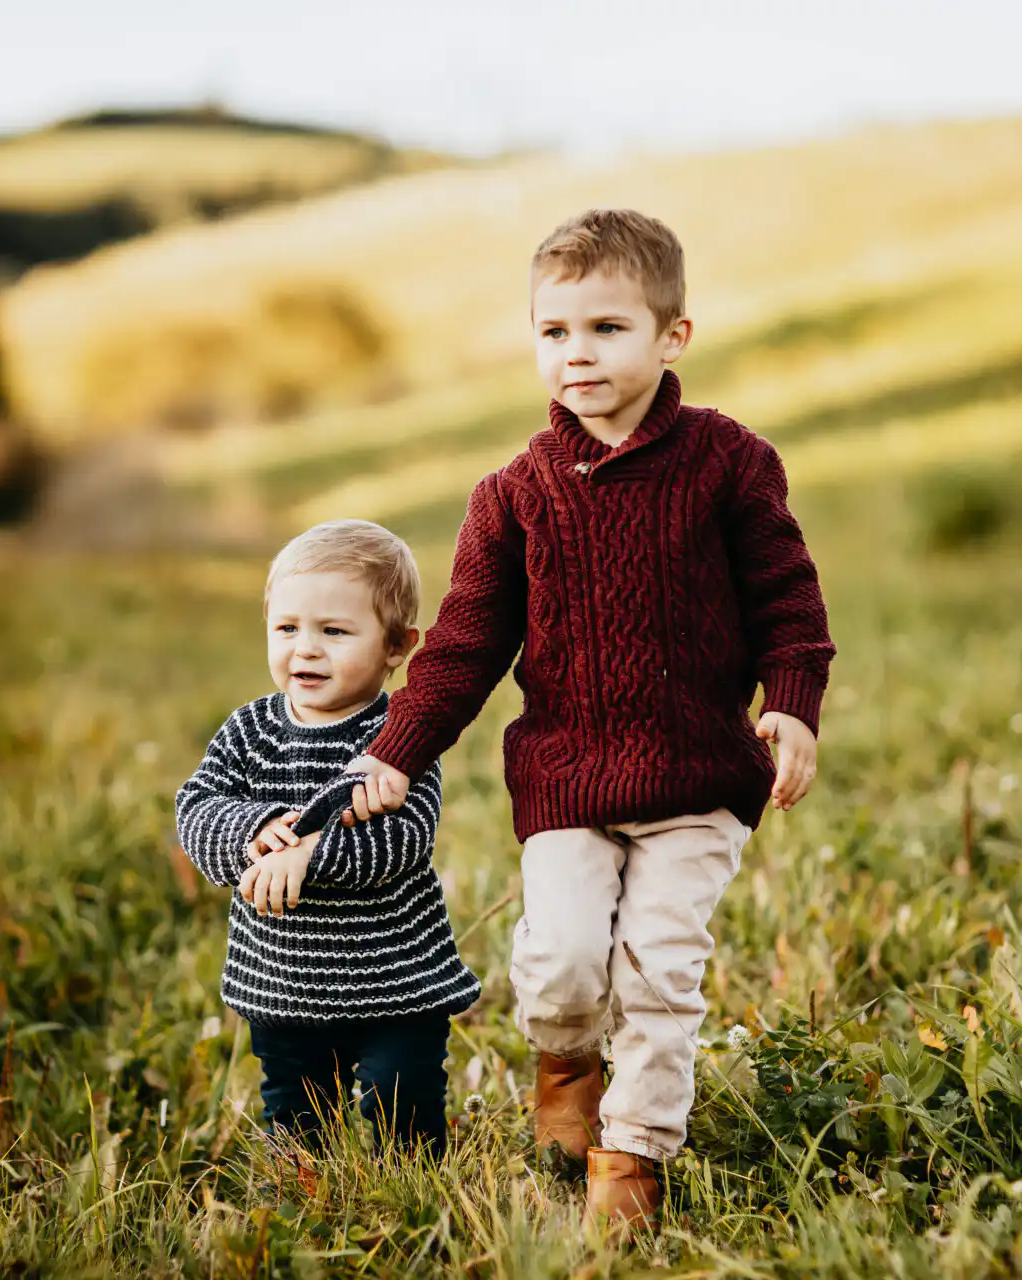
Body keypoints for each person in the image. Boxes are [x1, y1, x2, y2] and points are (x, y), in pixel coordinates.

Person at [341, 209, 836, 1223]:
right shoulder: (513, 495)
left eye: (608, 328)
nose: (578, 353)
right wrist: (397, 748)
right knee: (564, 962)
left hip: (699, 776)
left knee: (659, 968)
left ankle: (634, 1155)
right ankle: (567, 1062)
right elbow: (465, 645)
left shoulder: (730, 462)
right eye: (554, 331)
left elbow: (788, 600)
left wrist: (791, 705)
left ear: (672, 335)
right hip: (567, 778)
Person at [175, 519, 481, 1176]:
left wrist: (308, 854)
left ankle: (413, 1187)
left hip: (396, 981)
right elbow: (196, 808)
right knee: (295, 1110)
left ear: (397, 646)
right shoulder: (250, 731)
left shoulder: (399, 737)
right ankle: (300, 1199)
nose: (306, 650)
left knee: (402, 1095)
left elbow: (404, 837)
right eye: (287, 628)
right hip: (284, 981)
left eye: (334, 632)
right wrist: (252, 829)